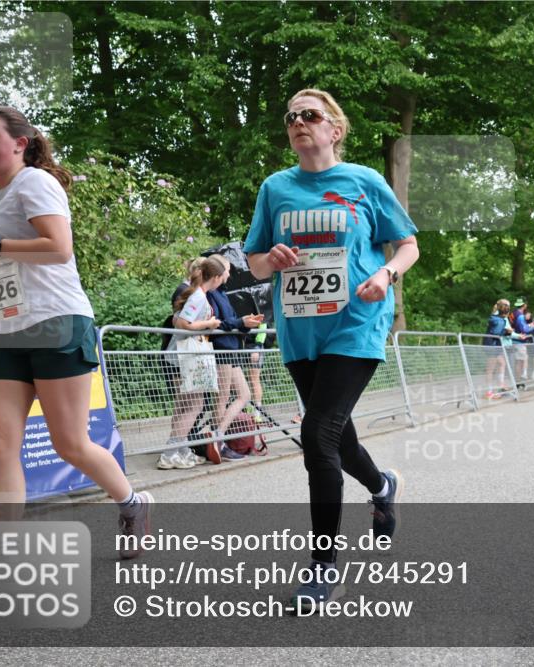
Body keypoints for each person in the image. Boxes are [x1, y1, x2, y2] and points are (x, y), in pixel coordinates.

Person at [244, 89, 419, 611]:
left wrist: (386, 275)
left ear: (333, 129)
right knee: (337, 439)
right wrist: (270, 260)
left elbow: (407, 243)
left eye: (310, 115)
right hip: (301, 332)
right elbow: (253, 262)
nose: (299, 122)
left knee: (315, 434)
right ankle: (382, 485)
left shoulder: (363, 181)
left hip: (356, 323)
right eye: (291, 116)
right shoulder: (276, 188)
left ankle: (323, 570)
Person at [0, 105, 152, 567]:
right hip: (7, 332)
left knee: (70, 444)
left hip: (57, 324)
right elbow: (11, 267)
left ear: (19, 142)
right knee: (0, 444)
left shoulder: (35, 182)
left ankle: (132, 504)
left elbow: (58, 249)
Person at [160, 257, 224, 469]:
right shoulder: (198, 296)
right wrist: (209, 323)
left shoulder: (194, 294)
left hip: (185, 355)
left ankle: (178, 449)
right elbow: (182, 323)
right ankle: (171, 451)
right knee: (193, 405)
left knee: (185, 405)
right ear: (214, 278)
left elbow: (179, 320)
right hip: (188, 356)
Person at [207, 257, 264, 462]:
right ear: (218, 273)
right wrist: (241, 321)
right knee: (222, 398)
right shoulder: (211, 293)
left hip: (231, 350)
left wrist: (245, 323)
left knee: (243, 394)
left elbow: (229, 322)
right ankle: (217, 439)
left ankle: (218, 434)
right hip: (222, 350)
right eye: (228, 271)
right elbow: (216, 323)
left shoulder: (221, 292)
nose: (229, 275)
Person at [483, 299, 513, 398]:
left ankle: (500, 385)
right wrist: (507, 332)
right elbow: (496, 333)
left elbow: (496, 331)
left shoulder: (498, 318)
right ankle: (489, 392)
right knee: (490, 369)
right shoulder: (498, 319)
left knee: (501, 363)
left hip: (496, 344)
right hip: (491, 345)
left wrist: (507, 332)